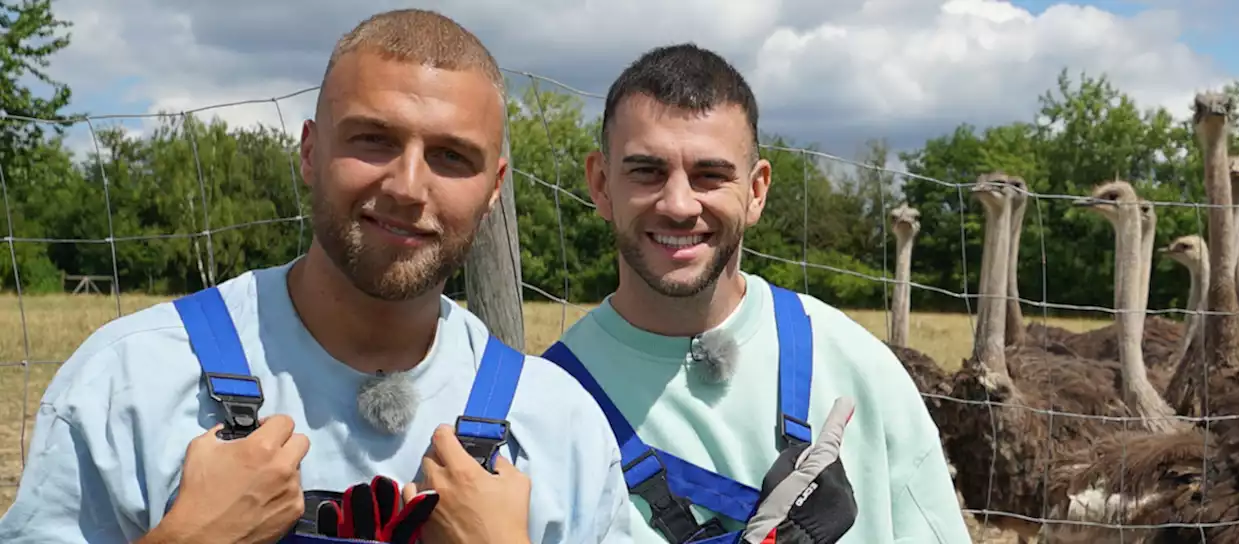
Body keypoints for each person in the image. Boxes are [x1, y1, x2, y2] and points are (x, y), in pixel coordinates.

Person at [0, 9, 631, 544]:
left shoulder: (556, 427)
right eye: (373, 139)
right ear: (309, 151)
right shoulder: (132, 383)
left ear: (494, 189)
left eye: (450, 156)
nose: (408, 187)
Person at [541, 43, 971, 543]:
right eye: (647, 171)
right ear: (600, 183)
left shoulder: (858, 374)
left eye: (711, 175)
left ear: (757, 190)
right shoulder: (551, 409)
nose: (679, 204)